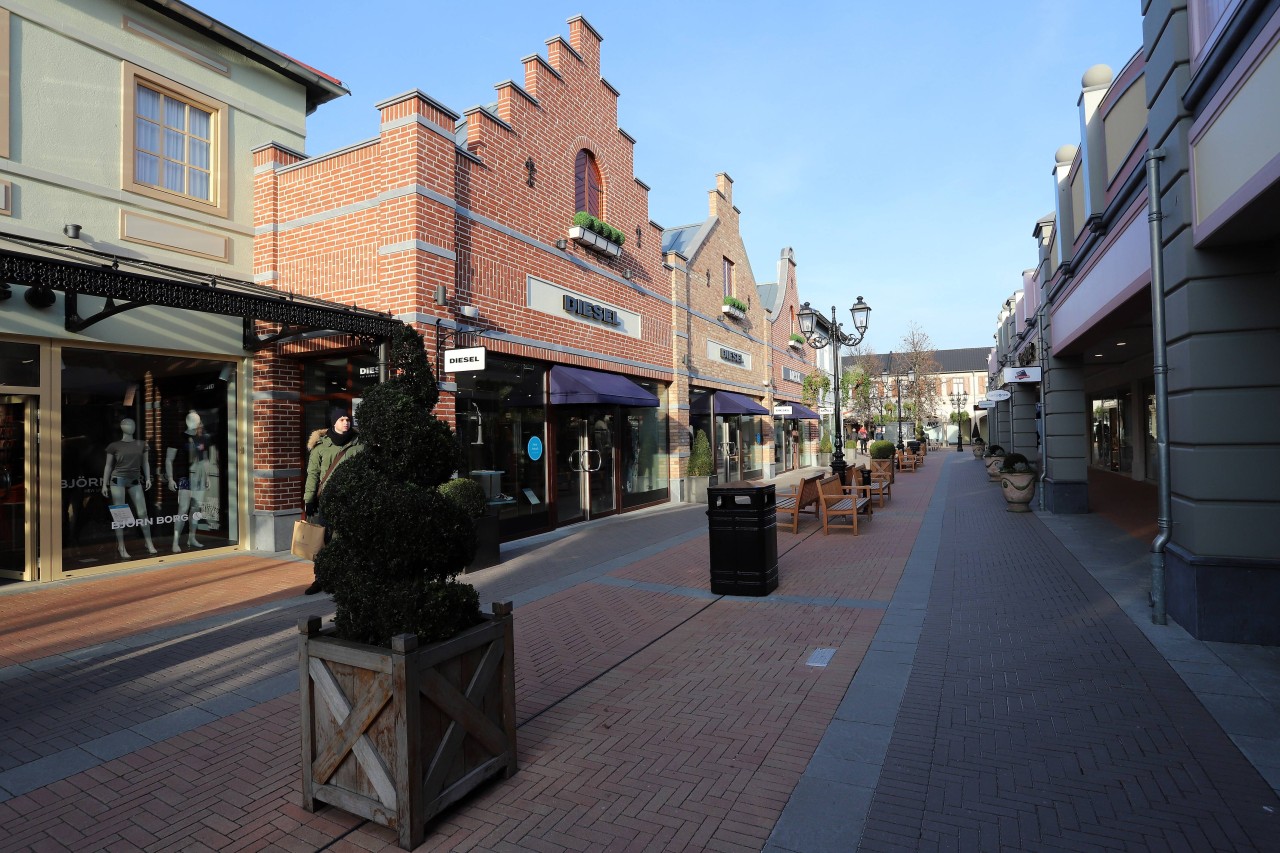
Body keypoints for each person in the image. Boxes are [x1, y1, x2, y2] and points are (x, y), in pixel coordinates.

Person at [302, 408, 363, 594]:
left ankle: (346, 579)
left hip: (351, 500)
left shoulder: (359, 445)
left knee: (347, 542)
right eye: (342, 419)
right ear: (334, 422)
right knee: (323, 542)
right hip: (327, 501)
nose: (346, 422)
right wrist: (309, 500)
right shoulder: (320, 447)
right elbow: (312, 474)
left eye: (348, 419)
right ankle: (320, 579)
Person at [101, 417, 158, 559]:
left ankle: (149, 542)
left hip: (135, 480)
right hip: (117, 479)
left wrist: (148, 477)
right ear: (121, 427)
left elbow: (145, 463)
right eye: (127, 424)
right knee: (120, 514)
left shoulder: (142, 444)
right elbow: (108, 465)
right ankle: (121, 546)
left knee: (143, 512)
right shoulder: (114, 446)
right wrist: (104, 483)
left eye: (132, 424)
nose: (130, 426)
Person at [166, 411, 210, 553]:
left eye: (198, 420)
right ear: (187, 421)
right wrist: (171, 478)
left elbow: (203, 460)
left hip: (199, 478)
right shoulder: (179, 439)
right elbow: (169, 459)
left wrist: (207, 476)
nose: (197, 423)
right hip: (184, 478)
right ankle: (175, 541)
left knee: (196, 509)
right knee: (183, 509)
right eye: (194, 420)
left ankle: (192, 537)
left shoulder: (201, 438)